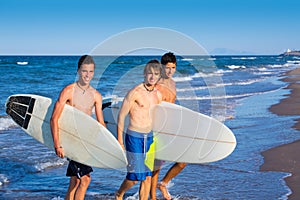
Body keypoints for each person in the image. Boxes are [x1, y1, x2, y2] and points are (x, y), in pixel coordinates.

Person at [50, 55, 106, 200]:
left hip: (86, 142)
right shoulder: (68, 91)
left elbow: (101, 123)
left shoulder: (96, 95)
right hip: (71, 141)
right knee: (85, 179)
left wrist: (108, 145)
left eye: (91, 71)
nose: (88, 75)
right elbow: (54, 118)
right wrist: (57, 145)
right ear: (78, 71)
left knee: (75, 181)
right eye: (84, 71)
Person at [115, 60, 162, 200]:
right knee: (135, 176)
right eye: (149, 73)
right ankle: (119, 193)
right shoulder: (134, 92)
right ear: (144, 74)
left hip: (150, 137)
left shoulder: (158, 95)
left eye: (156, 74)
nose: (152, 77)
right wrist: (119, 140)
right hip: (134, 136)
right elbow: (121, 116)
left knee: (147, 176)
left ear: (159, 76)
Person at [150, 52, 187, 200]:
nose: (170, 71)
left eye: (173, 67)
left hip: (170, 128)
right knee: (155, 166)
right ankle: (152, 196)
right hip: (157, 128)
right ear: (162, 67)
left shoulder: (173, 83)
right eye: (167, 68)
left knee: (183, 161)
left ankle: (163, 184)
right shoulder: (156, 85)